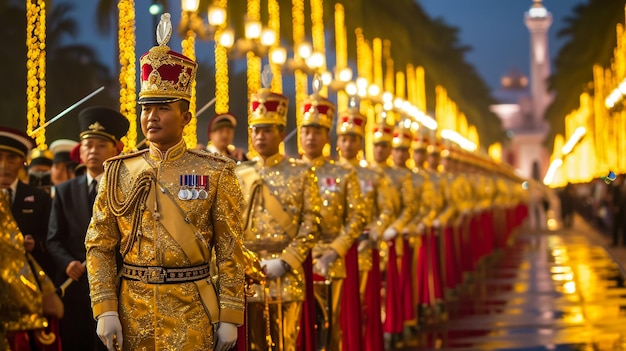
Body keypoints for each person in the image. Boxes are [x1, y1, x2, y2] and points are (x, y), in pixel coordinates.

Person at [84, 13, 245, 351]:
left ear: (186, 117)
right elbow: (99, 245)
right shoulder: (117, 170)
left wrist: (230, 315)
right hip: (131, 311)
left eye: (163, 108)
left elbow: (230, 250)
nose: (151, 116)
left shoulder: (216, 171)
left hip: (193, 311)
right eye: (146, 108)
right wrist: (105, 308)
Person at [235, 71, 322, 351]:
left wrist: (286, 261)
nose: (260, 136)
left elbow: (312, 223)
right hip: (248, 277)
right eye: (255, 130)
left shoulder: (301, 173)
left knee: (287, 343)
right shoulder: (239, 174)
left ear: (281, 134)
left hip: (287, 275)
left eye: (267, 130)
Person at [47, 107, 129, 351]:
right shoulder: (64, 191)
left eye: (101, 145)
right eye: (88, 145)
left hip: (116, 289)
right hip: (75, 289)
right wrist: (66, 262)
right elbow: (53, 238)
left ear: (116, 149)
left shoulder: (126, 189)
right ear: (80, 151)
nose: (93, 151)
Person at [298, 88, 365, 350]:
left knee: (331, 330)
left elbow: (358, 217)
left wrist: (334, 252)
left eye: (317, 131)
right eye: (306, 131)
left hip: (331, 263)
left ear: (327, 136)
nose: (310, 137)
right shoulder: (289, 173)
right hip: (295, 264)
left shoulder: (343, 175)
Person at [336, 106, 394, 351]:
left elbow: (386, 210)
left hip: (364, 247)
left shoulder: (373, 176)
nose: (348, 144)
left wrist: (376, 233)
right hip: (334, 250)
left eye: (353, 139)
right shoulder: (327, 173)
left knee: (363, 306)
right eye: (344, 138)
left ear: (361, 143)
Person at [0, 127, 53, 276]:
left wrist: (35, 244)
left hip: (29, 279)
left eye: (11, 158)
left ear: (23, 162)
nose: (4, 165)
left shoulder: (39, 198)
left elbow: (51, 238)